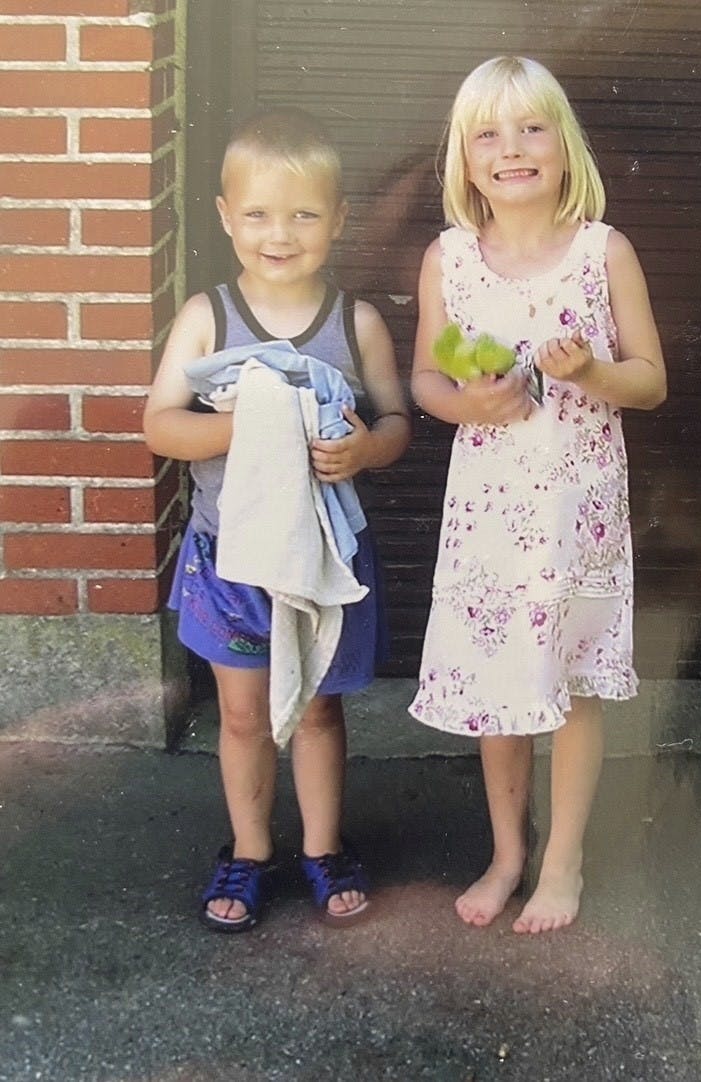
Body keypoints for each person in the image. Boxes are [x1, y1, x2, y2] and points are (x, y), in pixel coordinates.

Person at [409, 56, 666, 935]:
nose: (510, 149)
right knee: (497, 682)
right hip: (488, 511)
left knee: (573, 686)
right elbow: (424, 379)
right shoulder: (449, 261)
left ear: (563, 146)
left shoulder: (604, 251)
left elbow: (651, 381)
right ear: (465, 156)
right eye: (488, 133)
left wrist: (591, 369)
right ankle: (507, 851)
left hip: (578, 513)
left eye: (531, 128)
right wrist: (467, 400)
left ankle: (564, 861)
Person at [143, 107, 410, 931]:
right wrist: (251, 426)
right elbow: (160, 426)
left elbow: (397, 425)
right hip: (232, 558)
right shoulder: (207, 318)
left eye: (302, 214)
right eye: (257, 213)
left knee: (321, 706)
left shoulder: (354, 322)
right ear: (226, 217)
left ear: (337, 219)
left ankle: (323, 848)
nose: (279, 233)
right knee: (242, 713)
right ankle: (250, 848)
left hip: (325, 557)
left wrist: (363, 451)